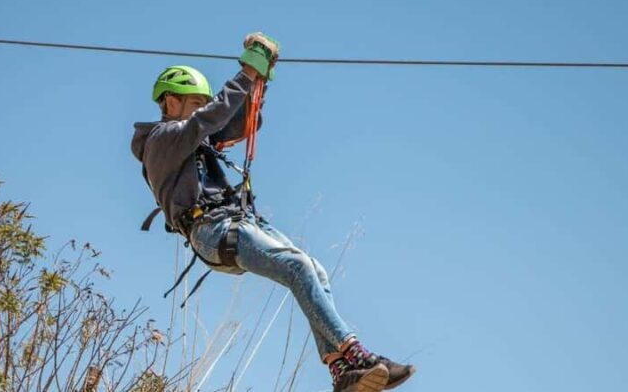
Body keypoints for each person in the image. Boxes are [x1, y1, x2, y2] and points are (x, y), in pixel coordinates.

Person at [131, 32, 415, 392]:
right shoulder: (162, 140)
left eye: (203, 102)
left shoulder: (193, 138)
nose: (201, 109)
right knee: (296, 267)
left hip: (237, 223)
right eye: (194, 102)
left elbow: (237, 121)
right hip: (212, 230)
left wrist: (258, 83)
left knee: (313, 269)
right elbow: (210, 118)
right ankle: (356, 353)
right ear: (170, 102)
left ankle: (342, 372)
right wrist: (247, 73)